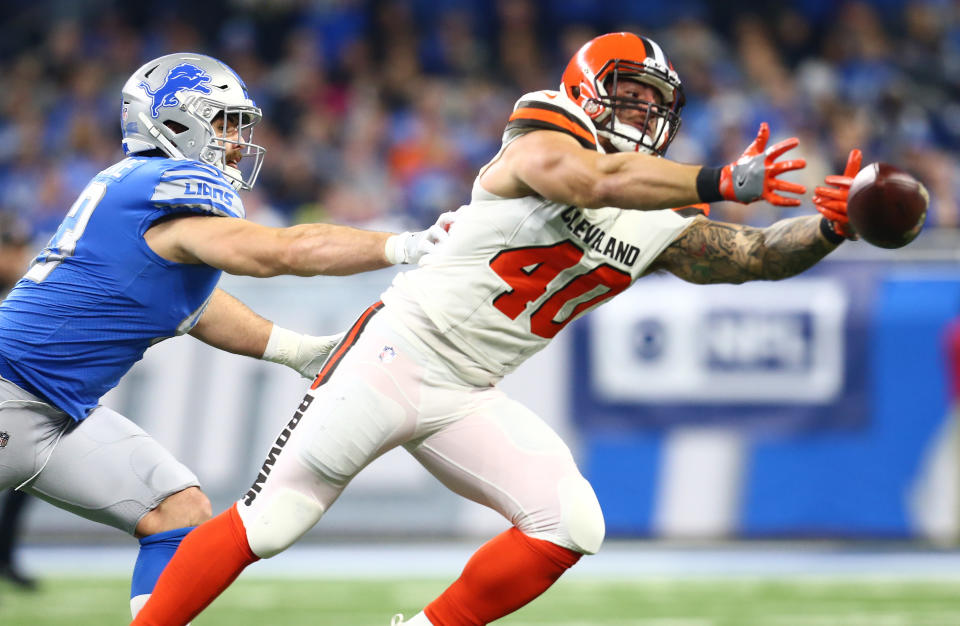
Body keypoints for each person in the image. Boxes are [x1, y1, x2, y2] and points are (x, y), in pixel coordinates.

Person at [132, 33, 863, 626]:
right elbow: (585, 182)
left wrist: (833, 226)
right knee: (271, 524)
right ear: (585, 89)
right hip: (394, 352)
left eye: (655, 102)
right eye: (629, 93)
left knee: (571, 522)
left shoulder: (660, 210)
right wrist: (718, 181)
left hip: (469, 391)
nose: (642, 112)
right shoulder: (544, 126)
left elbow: (750, 257)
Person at [0, 52, 451, 619]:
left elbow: (193, 306)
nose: (236, 139)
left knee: (177, 511)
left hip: (56, 410)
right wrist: (404, 245)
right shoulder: (162, 184)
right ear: (173, 121)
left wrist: (297, 350)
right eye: (221, 121)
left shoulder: (139, 193)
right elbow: (278, 252)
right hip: (10, 395)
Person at [0, 213, 38, 591]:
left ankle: (6, 558)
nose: (18, 258)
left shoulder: (25, 289)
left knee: (23, 479)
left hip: (11, 400)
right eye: (11, 249)